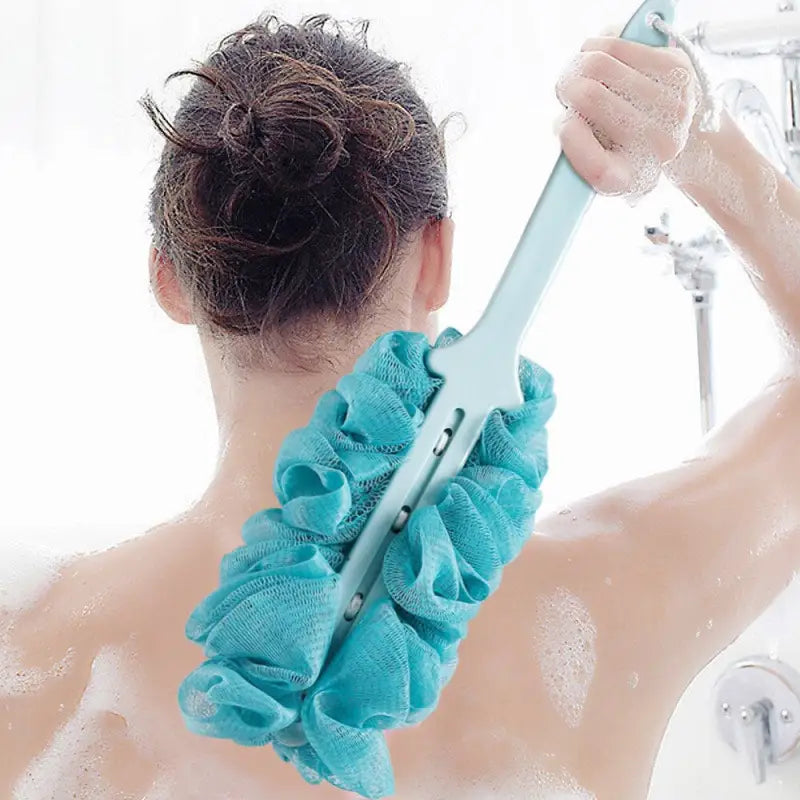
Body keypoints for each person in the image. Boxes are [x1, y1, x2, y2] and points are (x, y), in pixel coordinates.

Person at [3, 12, 800, 800]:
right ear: (436, 260)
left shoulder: (41, 662)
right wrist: (701, 139)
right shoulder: (611, 601)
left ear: (168, 280)